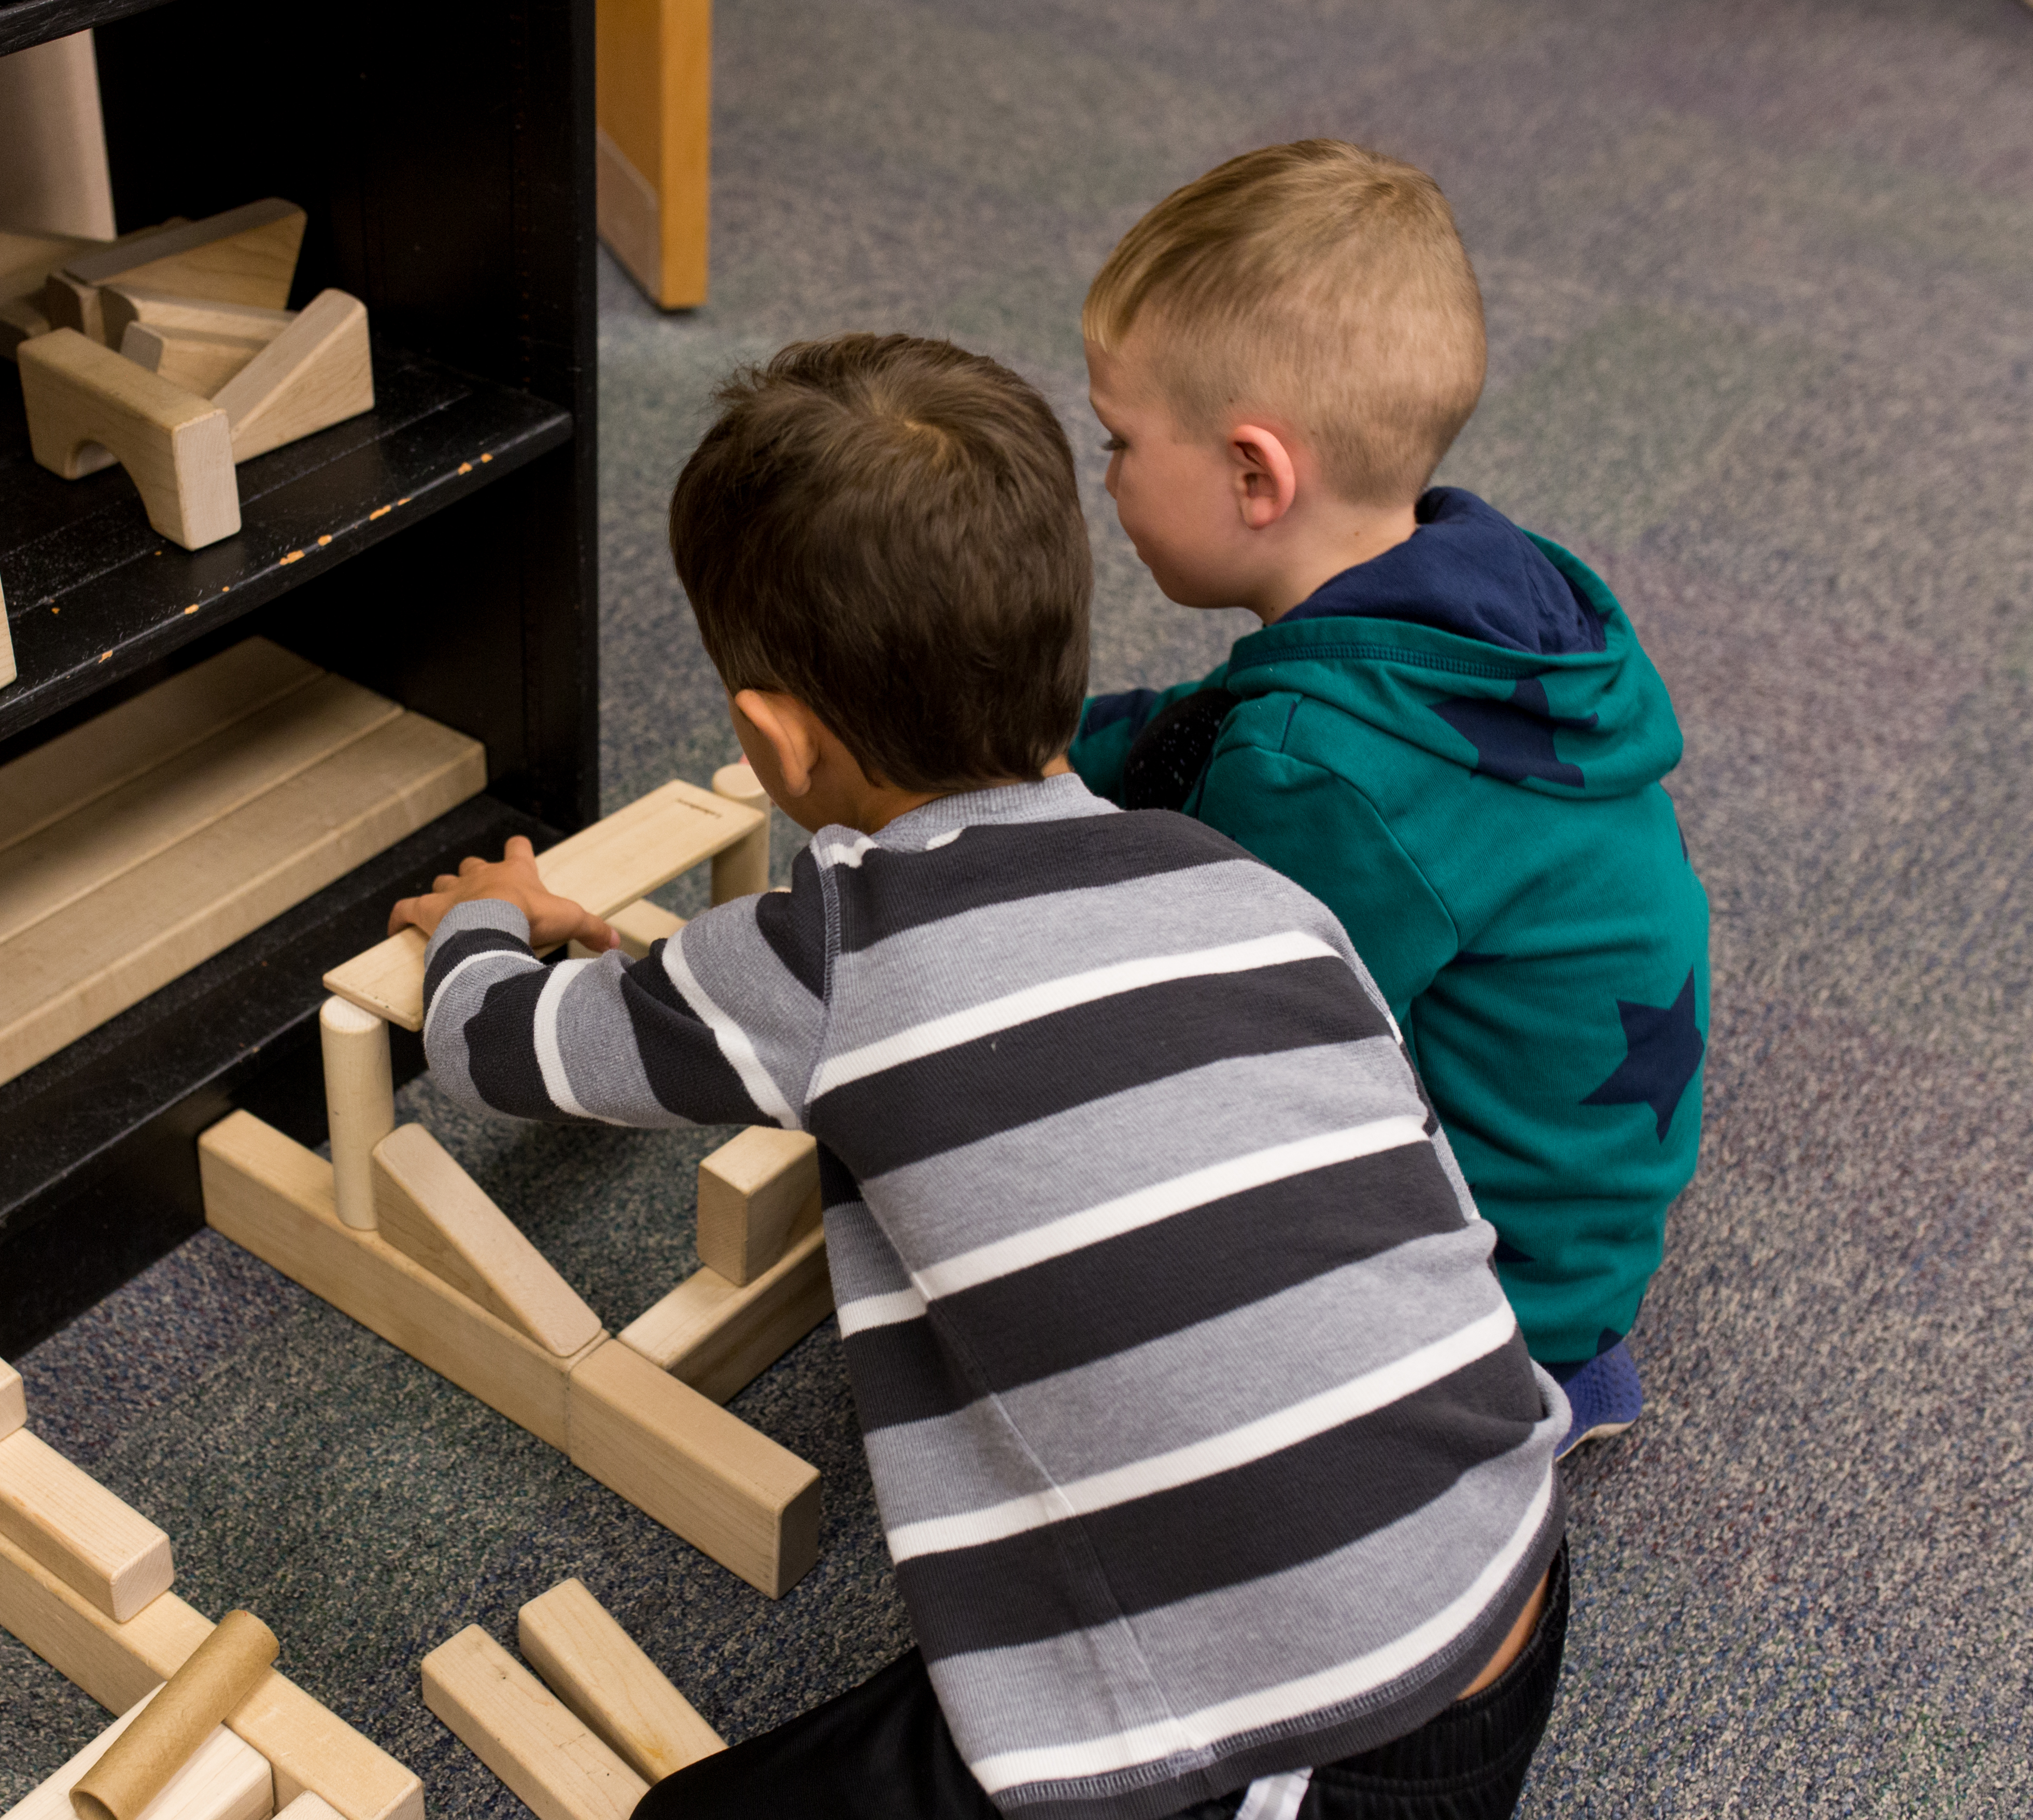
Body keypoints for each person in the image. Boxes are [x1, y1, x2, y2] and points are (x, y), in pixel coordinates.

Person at [392, 333, 1568, 1820]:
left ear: (774, 742)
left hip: (1289, 1760)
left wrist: (486, 920)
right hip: (1512, 1591)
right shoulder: (1249, 884)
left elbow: (499, 1049)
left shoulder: (823, 959)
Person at [1065, 142, 1711, 1453]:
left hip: (1502, 1290)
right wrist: (1046, 744)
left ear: (1254, 476)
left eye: (1116, 442)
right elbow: (1209, 721)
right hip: (1580, 1192)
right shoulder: (1463, 599)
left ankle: (1523, 1389)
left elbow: (1215, 1034)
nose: (1106, 477)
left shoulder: (1322, 772)